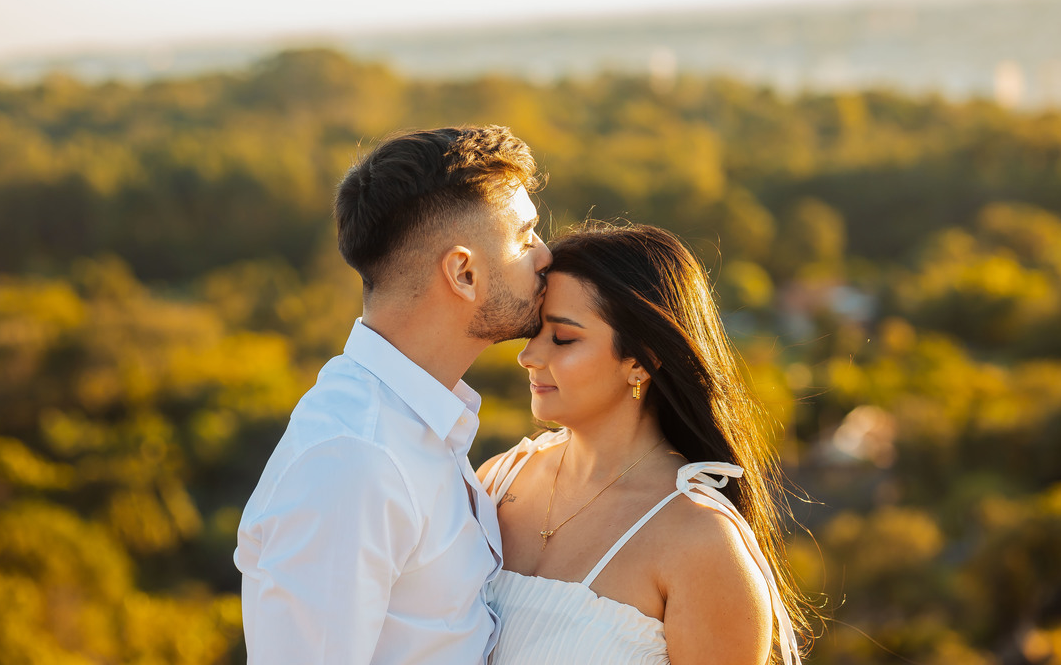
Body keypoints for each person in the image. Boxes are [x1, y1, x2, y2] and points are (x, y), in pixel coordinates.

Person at [235, 125, 552, 664]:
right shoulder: (355, 458)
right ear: (464, 272)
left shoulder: (415, 428)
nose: (545, 255)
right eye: (525, 237)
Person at [478, 223, 812, 665]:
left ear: (642, 361)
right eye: (534, 333)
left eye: (562, 338)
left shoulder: (702, 545)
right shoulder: (497, 481)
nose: (529, 356)